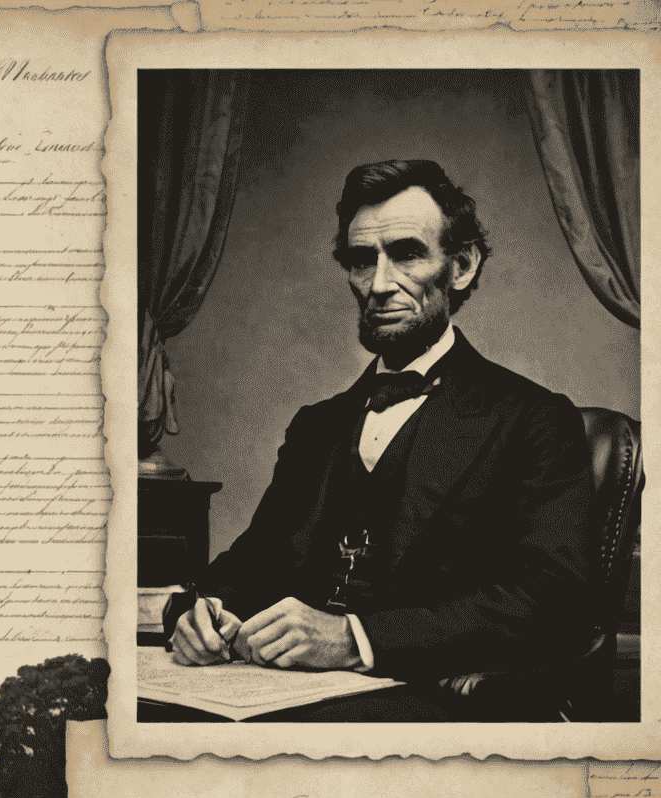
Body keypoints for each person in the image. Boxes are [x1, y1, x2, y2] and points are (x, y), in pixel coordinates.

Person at [164, 160, 594, 722]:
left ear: (461, 266)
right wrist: (205, 611)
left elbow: (550, 602)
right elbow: (251, 563)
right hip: (287, 702)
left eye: (408, 254)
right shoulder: (317, 426)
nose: (379, 284)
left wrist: (355, 637)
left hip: (437, 707)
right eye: (362, 260)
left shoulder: (534, 420)